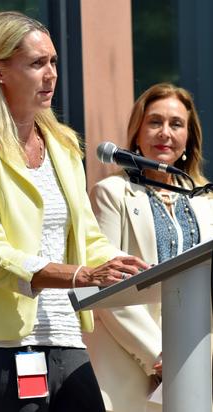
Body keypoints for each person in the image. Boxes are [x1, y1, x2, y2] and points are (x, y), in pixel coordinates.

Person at [0, 11, 149, 412]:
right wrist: (80, 274)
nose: (51, 74)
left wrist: (121, 265)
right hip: (0, 347)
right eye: (37, 63)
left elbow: (86, 236)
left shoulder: (64, 144)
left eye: (53, 61)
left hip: (66, 337)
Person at [85, 82, 213, 412]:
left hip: (199, 364)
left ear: (189, 137)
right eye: (155, 122)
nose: (165, 133)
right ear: (137, 133)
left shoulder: (205, 201)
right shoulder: (111, 194)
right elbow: (109, 286)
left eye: (176, 124)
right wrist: (159, 354)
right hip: (132, 365)